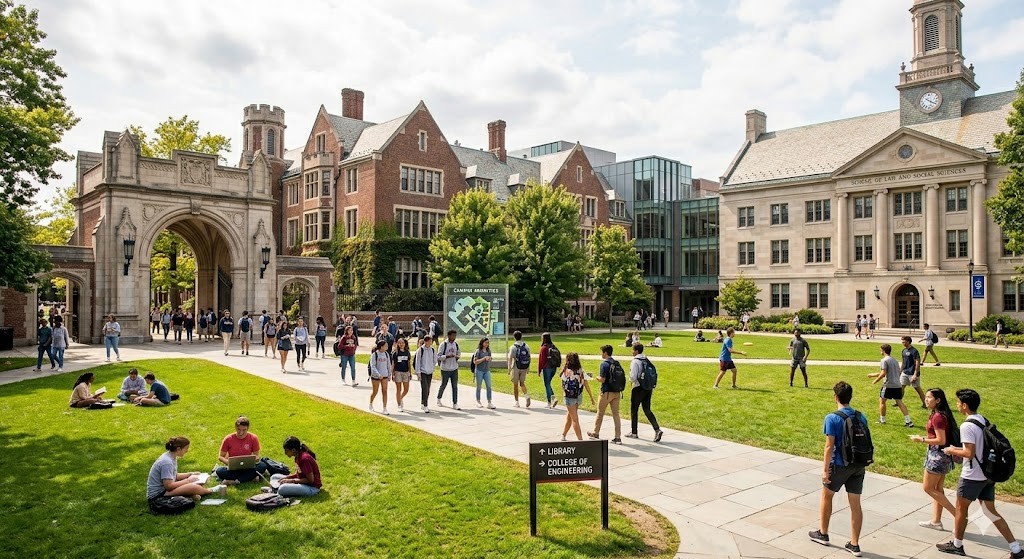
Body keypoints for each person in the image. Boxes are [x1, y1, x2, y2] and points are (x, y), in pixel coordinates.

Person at [937, 389, 1024, 558]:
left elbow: (969, 453)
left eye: (958, 402)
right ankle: (1015, 549)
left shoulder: (966, 426)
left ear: (964, 405)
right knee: (990, 512)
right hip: (987, 475)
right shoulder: (982, 419)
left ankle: (957, 545)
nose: (957, 405)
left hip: (972, 476)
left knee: (961, 509)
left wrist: (951, 450)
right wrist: (957, 449)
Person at [808, 381, 868, 557]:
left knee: (827, 496)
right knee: (855, 504)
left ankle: (823, 533)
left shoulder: (832, 418)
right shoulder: (861, 416)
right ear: (850, 397)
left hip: (840, 464)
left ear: (835, 397)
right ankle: (854, 544)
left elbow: (829, 446)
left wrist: (825, 470)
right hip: (858, 464)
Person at [910, 388, 957, 531]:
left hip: (937, 457)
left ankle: (959, 516)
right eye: (926, 397)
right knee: (938, 489)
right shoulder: (940, 414)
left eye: (929, 397)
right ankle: (936, 521)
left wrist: (921, 439)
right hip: (942, 455)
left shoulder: (938, 417)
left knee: (928, 488)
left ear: (938, 400)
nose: (926, 399)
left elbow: (941, 440)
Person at [147, 437, 226, 508]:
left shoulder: (171, 457)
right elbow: (169, 486)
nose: (187, 450)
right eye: (186, 448)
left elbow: (174, 476)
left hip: (165, 490)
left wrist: (190, 474)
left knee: (197, 482)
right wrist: (188, 480)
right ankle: (210, 490)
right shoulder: (167, 462)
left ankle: (191, 495)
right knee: (193, 487)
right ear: (178, 449)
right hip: (159, 495)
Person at [869, 343, 913, 427]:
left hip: (888, 385)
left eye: (880, 350)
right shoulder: (894, 360)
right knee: (899, 402)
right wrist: (873, 375)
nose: (880, 351)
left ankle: (882, 420)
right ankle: (908, 421)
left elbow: (883, 373)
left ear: (883, 350)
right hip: (897, 384)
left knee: (882, 401)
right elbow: (893, 372)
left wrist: (876, 380)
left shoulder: (884, 360)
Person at [626, 343, 663, 442]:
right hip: (647, 387)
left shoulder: (635, 361)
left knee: (634, 410)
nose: (632, 352)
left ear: (636, 351)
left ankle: (634, 432)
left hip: (638, 387)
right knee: (647, 409)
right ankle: (657, 429)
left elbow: (633, 377)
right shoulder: (646, 359)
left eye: (633, 350)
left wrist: (630, 381)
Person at [214, 416, 267, 484]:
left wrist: (255, 459)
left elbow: (256, 455)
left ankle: (235, 481)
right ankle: (251, 477)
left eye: (244, 430)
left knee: (262, 465)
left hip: (248, 467)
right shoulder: (228, 439)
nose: (241, 432)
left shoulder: (253, 438)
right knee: (219, 471)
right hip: (233, 469)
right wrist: (228, 462)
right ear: (235, 427)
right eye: (239, 429)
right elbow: (221, 456)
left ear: (248, 428)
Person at [588, 345, 623, 444]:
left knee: (600, 413)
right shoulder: (616, 363)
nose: (601, 354)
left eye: (602, 352)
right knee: (616, 414)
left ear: (605, 353)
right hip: (617, 391)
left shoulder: (604, 364)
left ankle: (596, 432)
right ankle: (617, 436)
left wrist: (597, 378)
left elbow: (602, 379)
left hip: (606, 392)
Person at [559, 352, 594, 441]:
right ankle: (565, 435)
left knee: (573, 418)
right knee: (572, 417)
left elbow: (562, 385)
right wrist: (591, 397)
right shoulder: (581, 371)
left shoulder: (565, 371)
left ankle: (578, 439)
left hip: (569, 397)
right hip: (578, 396)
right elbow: (586, 384)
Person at [900, 336, 927, 408]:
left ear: (908, 342)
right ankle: (899, 402)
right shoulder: (903, 351)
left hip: (912, 374)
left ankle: (925, 404)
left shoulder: (914, 351)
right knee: (901, 388)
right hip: (905, 373)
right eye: (902, 342)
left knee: (918, 389)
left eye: (904, 342)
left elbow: (917, 363)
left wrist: (915, 374)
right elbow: (903, 362)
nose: (903, 343)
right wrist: (900, 371)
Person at [436, 330, 461, 410]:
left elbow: (459, 353)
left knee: (455, 386)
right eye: (453, 335)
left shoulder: (456, 344)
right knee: (444, 384)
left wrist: (457, 356)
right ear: (449, 336)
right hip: (445, 369)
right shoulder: (444, 344)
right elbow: (439, 356)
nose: (454, 337)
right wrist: (447, 356)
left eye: (455, 336)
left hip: (454, 368)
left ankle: (455, 403)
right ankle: (439, 398)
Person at [507, 330, 532, 408]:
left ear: (514, 337)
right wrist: (528, 368)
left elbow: (510, 358)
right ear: (521, 337)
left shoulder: (513, 347)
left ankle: (517, 402)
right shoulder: (526, 346)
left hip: (516, 367)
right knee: (522, 383)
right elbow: (529, 357)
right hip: (524, 366)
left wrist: (509, 369)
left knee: (515, 385)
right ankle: (526, 396)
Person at [416, 335, 438, 413]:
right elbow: (418, 362)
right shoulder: (420, 350)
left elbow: (435, 360)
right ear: (425, 341)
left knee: (427, 389)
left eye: (431, 341)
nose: (430, 343)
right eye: (429, 341)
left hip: (430, 372)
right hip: (423, 372)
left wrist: (433, 368)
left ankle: (423, 402)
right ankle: (425, 405)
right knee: (424, 388)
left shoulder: (433, 350)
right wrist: (418, 373)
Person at [368, 339, 391, 415]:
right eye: (385, 346)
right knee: (375, 391)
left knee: (385, 391)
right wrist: (378, 374)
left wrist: (389, 374)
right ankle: (371, 403)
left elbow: (388, 365)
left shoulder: (386, 354)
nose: (387, 347)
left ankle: (384, 408)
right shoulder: (374, 355)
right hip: (376, 376)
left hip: (385, 375)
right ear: (381, 347)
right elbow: (373, 366)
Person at [472, 337, 495, 409]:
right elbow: (475, 361)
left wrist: (490, 358)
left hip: (487, 370)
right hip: (479, 370)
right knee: (479, 386)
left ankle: (489, 402)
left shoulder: (488, 350)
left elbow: (490, 358)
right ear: (482, 343)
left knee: (489, 386)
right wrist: (484, 359)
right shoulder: (478, 351)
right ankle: (478, 401)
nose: (487, 344)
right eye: (486, 342)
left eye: (488, 343)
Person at [391, 336, 412, 412]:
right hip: (398, 372)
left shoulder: (407, 352)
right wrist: (392, 373)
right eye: (399, 343)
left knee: (406, 389)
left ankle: (400, 398)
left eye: (402, 343)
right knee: (398, 389)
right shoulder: (395, 353)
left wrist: (410, 372)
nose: (401, 344)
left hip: (405, 372)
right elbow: (393, 364)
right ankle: (399, 405)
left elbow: (409, 363)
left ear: (405, 344)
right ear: (397, 344)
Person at [538, 332, 558, 409]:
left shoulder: (544, 348)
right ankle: (553, 398)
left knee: (547, 385)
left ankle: (550, 401)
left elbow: (541, 360)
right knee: (548, 384)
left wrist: (539, 370)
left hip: (547, 368)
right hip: (554, 367)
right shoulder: (553, 346)